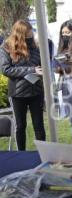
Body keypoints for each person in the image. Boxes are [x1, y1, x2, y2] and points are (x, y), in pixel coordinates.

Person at [0, 20, 45, 150]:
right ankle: (21, 153)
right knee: (20, 126)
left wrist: (42, 70)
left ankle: (43, 154)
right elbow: (6, 70)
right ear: (21, 33)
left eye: (31, 31)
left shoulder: (35, 46)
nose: (31, 33)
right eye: (28, 32)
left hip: (36, 91)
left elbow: (41, 64)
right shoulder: (6, 47)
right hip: (17, 94)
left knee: (39, 125)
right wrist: (31, 70)